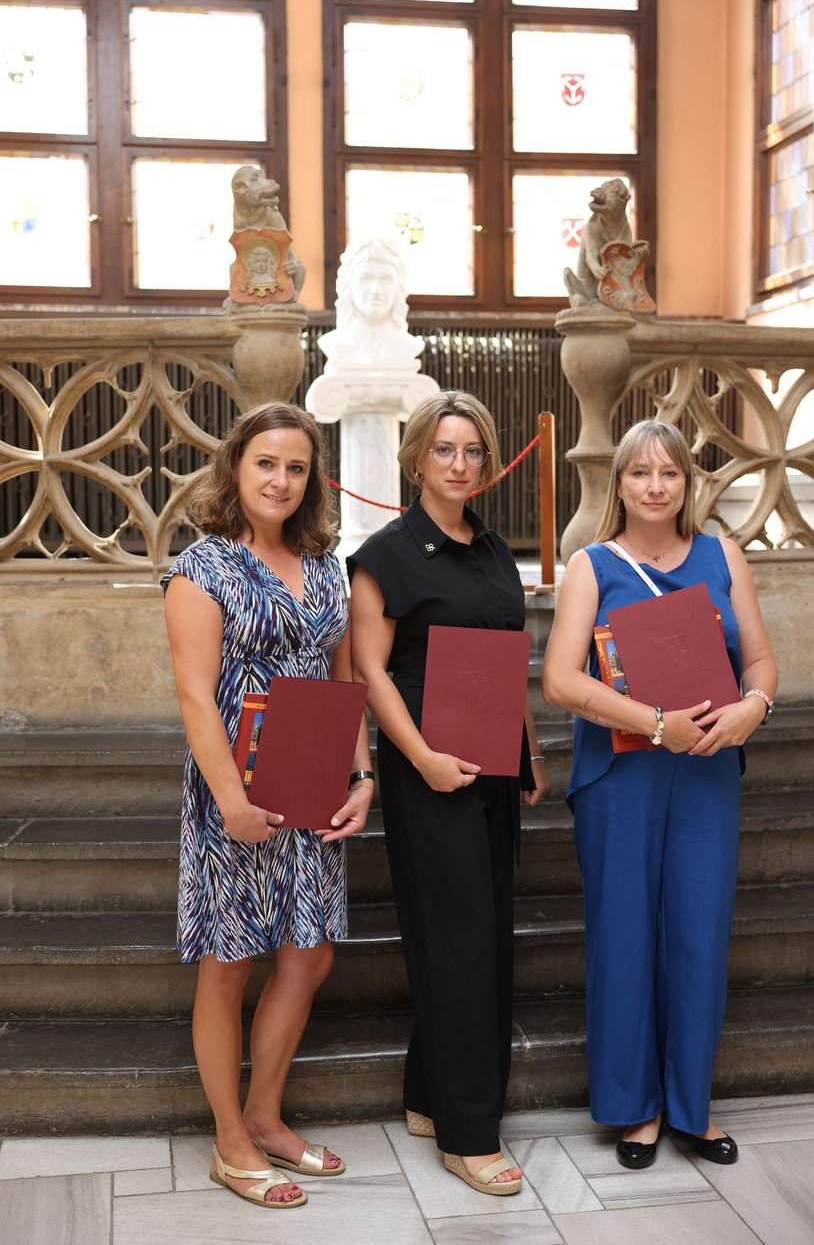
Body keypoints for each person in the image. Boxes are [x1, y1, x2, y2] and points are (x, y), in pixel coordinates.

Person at [542, 418, 778, 1170]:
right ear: (619, 483)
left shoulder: (723, 555)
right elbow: (559, 680)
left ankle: (690, 1108)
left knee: (699, 937)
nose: (655, 486)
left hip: (707, 772)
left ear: (687, 482)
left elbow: (761, 662)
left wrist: (753, 708)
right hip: (622, 775)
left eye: (669, 473)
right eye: (640, 473)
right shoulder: (592, 565)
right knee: (623, 937)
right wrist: (653, 723)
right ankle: (634, 1108)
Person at [161, 402, 374, 1209]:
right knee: (229, 962)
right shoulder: (202, 568)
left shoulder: (326, 567)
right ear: (235, 468)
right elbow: (194, 697)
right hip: (236, 793)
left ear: (311, 479)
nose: (280, 480)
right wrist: (231, 802)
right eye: (265, 463)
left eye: (295, 467)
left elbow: (343, 679)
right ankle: (230, 1142)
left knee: (308, 955)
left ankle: (265, 1116)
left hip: (313, 783)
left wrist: (362, 777)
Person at [348, 390, 549, 1196]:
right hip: (427, 773)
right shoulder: (385, 555)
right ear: (417, 459)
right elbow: (369, 672)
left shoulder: (494, 548)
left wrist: (529, 751)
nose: (459, 464)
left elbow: (509, 655)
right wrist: (425, 758)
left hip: (494, 767)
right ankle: (470, 1137)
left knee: (479, 935)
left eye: (472, 451)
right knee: (461, 944)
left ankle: (430, 1096)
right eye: (444, 449)